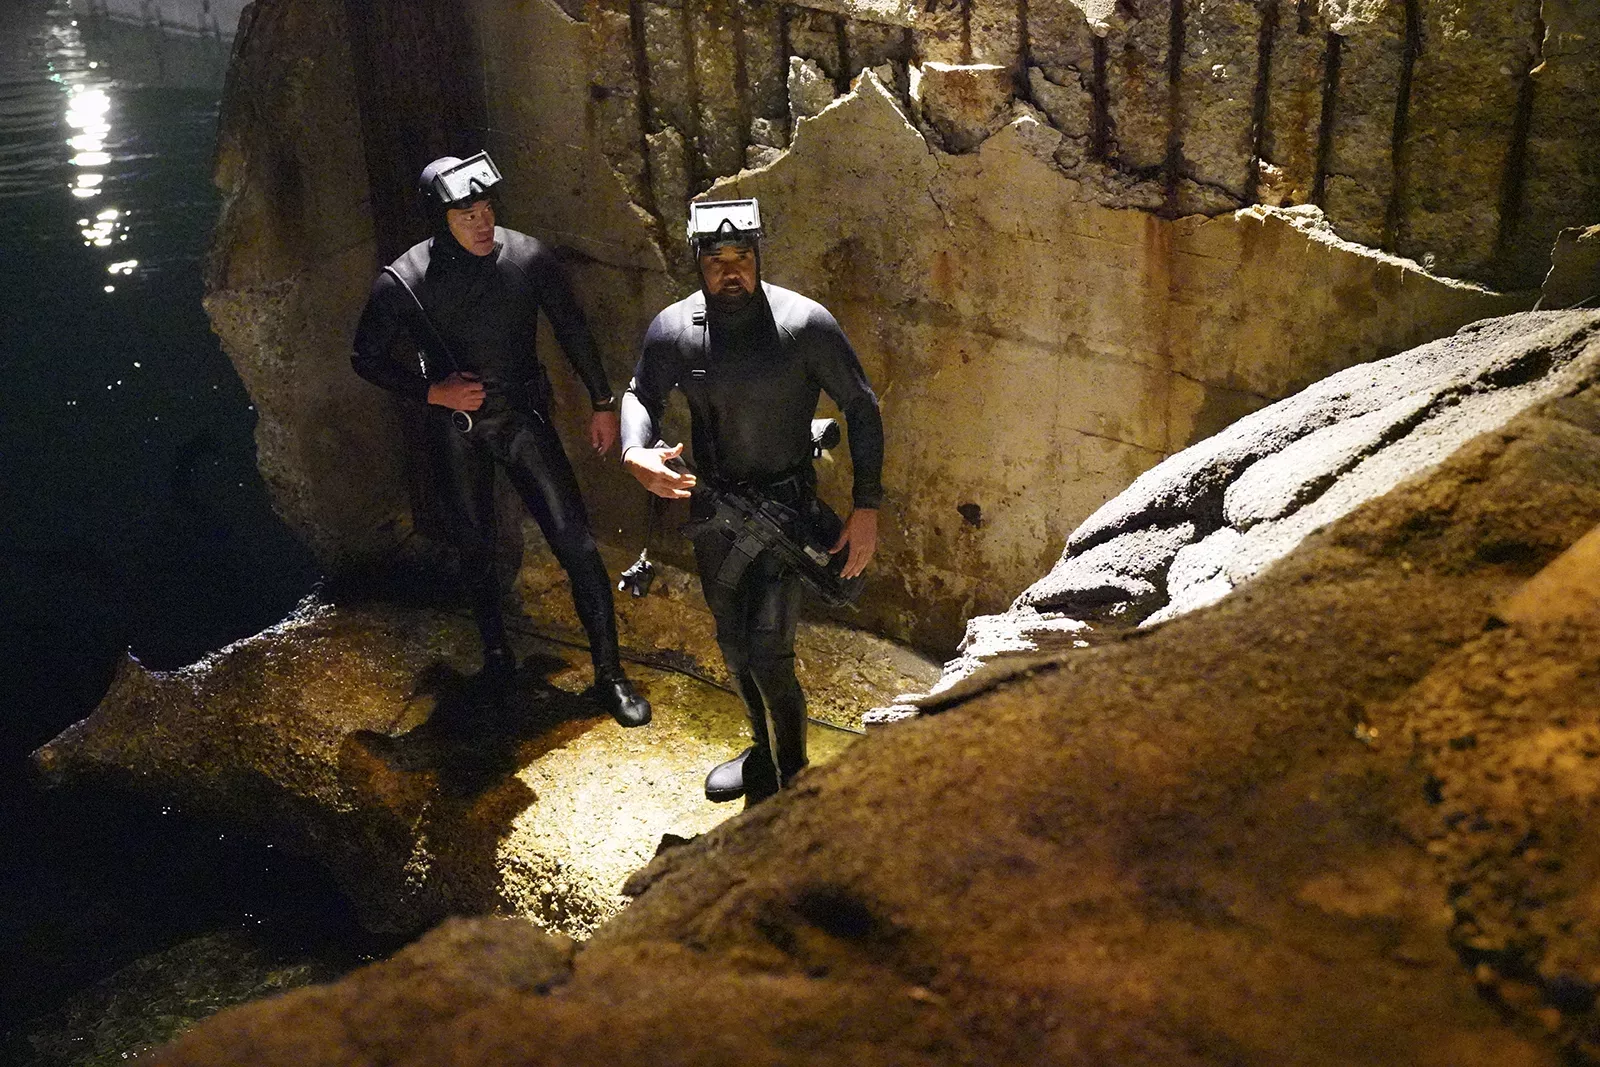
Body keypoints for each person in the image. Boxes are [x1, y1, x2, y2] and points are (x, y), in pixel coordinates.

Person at [351, 151, 650, 728]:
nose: (483, 222)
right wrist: (433, 392)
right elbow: (366, 357)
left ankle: (610, 673)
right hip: (458, 426)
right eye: (467, 215)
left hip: (521, 418)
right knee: (475, 545)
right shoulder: (405, 281)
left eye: (487, 209)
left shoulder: (527, 257)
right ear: (442, 220)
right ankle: (495, 657)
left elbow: (572, 327)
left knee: (575, 542)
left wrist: (602, 402)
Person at [620, 199, 884, 804]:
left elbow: (861, 405)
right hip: (714, 509)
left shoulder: (804, 325)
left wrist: (866, 506)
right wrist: (635, 451)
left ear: (758, 256)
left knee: (769, 654)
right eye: (717, 260)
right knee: (732, 644)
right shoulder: (675, 329)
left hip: (784, 513)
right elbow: (640, 393)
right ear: (698, 262)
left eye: (742, 257)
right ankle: (762, 752)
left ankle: (794, 774)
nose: (731, 271)